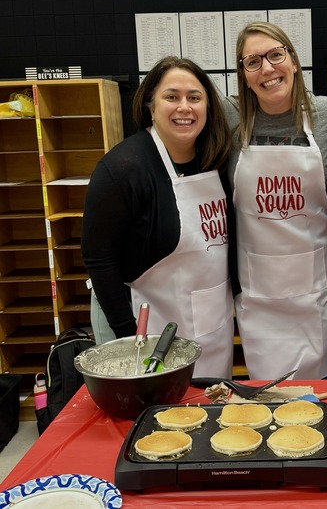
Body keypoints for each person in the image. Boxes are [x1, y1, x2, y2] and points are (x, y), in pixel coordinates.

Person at [221, 21, 327, 379]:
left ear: (294, 61)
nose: (267, 68)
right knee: (270, 400)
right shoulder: (229, 118)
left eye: (275, 55)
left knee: (323, 400)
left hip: (317, 296)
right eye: (253, 62)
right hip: (259, 299)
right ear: (244, 75)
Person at [81, 56, 235, 378]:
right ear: (151, 106)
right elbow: (99, 259)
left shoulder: (216, 159)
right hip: (141, 327)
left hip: (211, 327)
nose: (184, 107)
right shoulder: (122, 168)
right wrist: (128, 336)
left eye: (194, 97)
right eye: (171, 97)